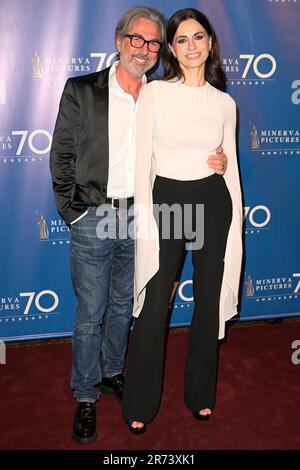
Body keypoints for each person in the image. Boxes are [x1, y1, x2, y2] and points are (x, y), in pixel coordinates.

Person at [50, 6, 228, 444]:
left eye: (152, 43)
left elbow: (184, 143)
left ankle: (113, 373)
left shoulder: (157, 94)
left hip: (145, 215)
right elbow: (62, 155)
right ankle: (86, 394)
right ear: (119, 41)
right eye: (137, 39)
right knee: (91, 312)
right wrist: (75, 212)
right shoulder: (82, 89)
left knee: (125, 306)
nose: (144, 49)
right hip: (95, 214)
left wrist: (218, 159)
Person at [122, 8, 243, 434]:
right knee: (156, 302)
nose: (191, 46)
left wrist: (223, 161)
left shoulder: (226, 103)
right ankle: (139, 401)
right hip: (168, 200)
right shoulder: (156, 93)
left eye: (198, 37)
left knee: (208, 301)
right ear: (171, 49)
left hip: (213, 201)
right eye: (182, 40)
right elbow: (143, 162)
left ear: (210, 42)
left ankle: (200, 394)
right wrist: (144, 218)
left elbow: (229, 167)